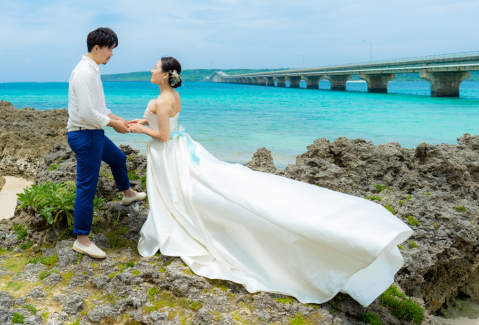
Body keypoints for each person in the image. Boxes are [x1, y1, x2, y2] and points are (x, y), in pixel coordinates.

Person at [127, 56, 413, 307]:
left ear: (165, 75)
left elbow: (163, 135)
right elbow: (161, 124)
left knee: (181, 194)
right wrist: (138, 122)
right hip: (177, 149)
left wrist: (141, 130)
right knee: (185, 192)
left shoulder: (162, 100)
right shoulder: (171, 96)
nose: (151, 70)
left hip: (168, 152)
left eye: (154, 67)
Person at [67, 27, 146, 259]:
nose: (111, 54)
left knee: (118, 158)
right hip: (85, 134)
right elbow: (87, 112)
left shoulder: (93, 69)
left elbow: (99, 108)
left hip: (93, 133)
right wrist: (113, 125)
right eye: (109, 49)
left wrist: (119, 119)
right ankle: (82, 239)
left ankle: (128, 193)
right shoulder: (84, 73)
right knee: (86, 187)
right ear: (97, 48)